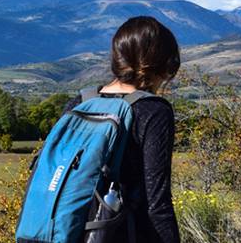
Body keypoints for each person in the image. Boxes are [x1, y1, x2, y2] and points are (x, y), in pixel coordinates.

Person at [63, 16, 181, 243]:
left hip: (63, 233)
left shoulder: (79, 102)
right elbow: (157, 203)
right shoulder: (153, 111)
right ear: (163, 64)